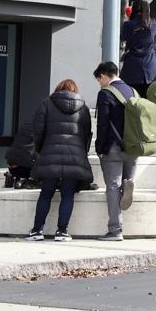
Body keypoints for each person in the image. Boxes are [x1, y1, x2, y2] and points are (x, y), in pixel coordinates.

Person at [25, 79, 95, 242]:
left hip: (50, 153)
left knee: (46, 193)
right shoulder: (83, 108)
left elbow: (38, 131)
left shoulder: (46, 104)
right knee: (68, 194)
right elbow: (87, 134)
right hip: (75, 156)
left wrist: (42, 149)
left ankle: (37, 231)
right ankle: (62, 231)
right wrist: (81, 152)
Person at [93, 62, 137, 242]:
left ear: (103, 76)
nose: (99, 83)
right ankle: (129, 184)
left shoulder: (105, 94)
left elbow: (103, 124)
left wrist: (100, 147)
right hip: (133, 148)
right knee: (123, 183)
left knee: (112, 187)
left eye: (98, 80)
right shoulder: (133, 91)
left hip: (113, 147)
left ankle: (115, 230)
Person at [119, 0, 156, 94]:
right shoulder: (153, 23)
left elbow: (123, 37)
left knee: (132, 100)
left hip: (132, 68)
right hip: (151, 68)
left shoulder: (128, 25)